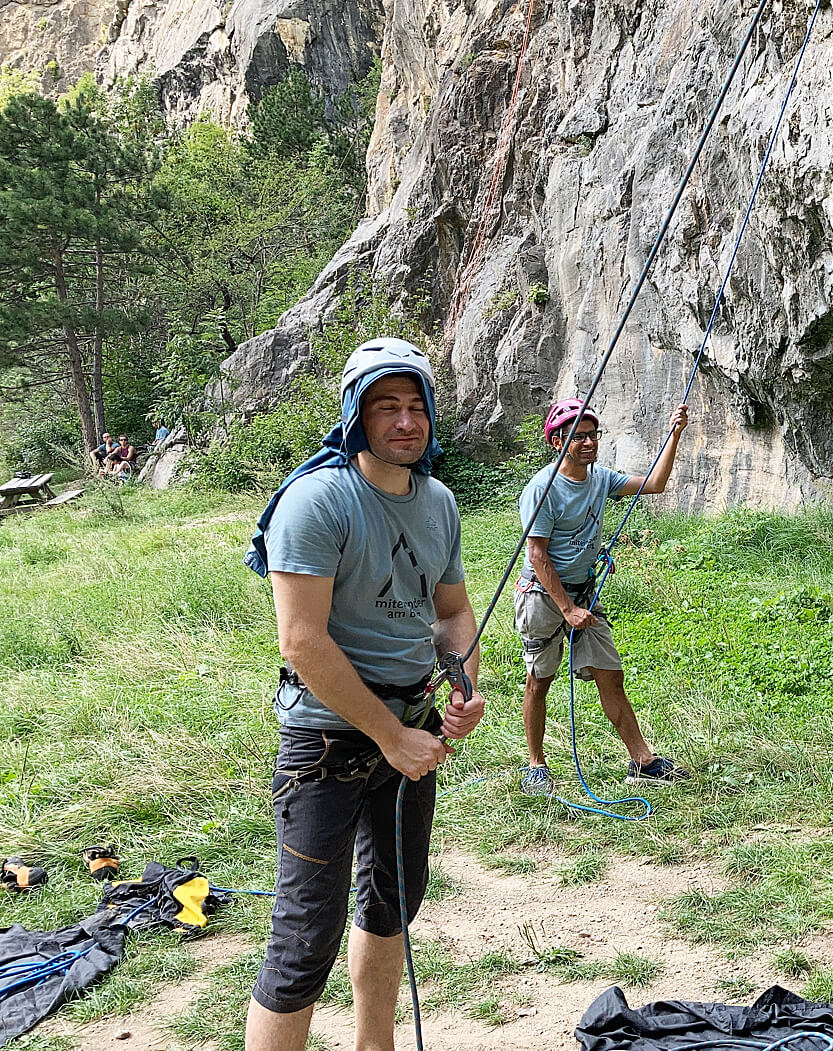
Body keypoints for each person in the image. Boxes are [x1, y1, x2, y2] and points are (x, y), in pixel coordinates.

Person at [240, 338, 484, 1051]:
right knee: (304, 937)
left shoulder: (438, 502)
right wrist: (390, 734)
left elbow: (452, 613)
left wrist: (464, 684)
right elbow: (302, 641)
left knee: (392, 902)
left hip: (411, 730)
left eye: (416, 406)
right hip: (328, 741)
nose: (406, 421)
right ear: (355, 414)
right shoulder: (317, 500)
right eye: (386, 406)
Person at [513, 398, 691, 796]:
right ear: (557, 442)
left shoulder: (600, 478)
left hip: (583, 596)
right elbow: (537, 554)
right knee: (539, 680)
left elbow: (654, 484)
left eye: (592, 435)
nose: (589, 443)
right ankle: (536, 765)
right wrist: (567, 609)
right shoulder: (543, 489)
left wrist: (674, 434)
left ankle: (642, 761)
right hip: (542, 596)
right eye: (578, 437)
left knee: (610, 674)